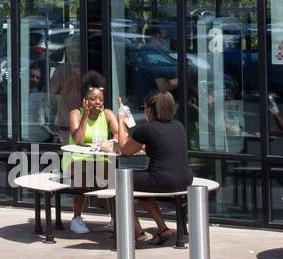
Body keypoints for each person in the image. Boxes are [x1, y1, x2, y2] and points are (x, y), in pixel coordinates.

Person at [114, 90, 193, 244]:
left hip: (163, 179)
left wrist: (121, 120)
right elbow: (162, 146)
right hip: (185, 178)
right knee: (139, 184)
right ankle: (162, 229)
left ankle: (137, 232)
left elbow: (125, 149)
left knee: (121, 180)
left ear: (150, 109)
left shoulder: (147, 128)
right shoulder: (178, 125)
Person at [61, 72, 121, 234]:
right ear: (85, 100)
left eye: (100, 99)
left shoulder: (107, 114)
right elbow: (78, 139)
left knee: (112, 176)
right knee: (83, 174)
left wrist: (122, 120)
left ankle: (115, 218)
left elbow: (121, 136)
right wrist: (86, 116)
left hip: (99, 158)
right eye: (93, 99)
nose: (97, 102)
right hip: (75, 158)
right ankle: (76, 218)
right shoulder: (76, 113)